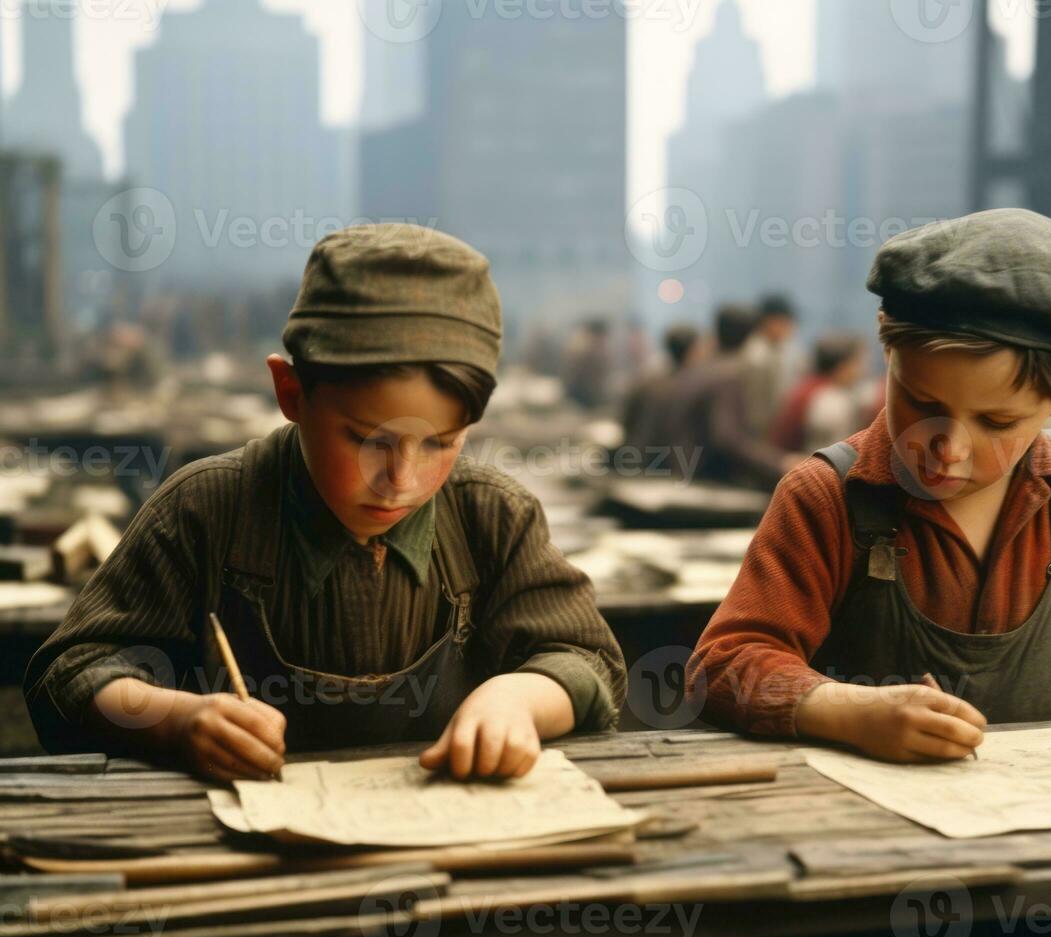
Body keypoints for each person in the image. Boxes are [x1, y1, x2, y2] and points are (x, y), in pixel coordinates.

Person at [25, 225, 627, 783]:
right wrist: (175, 720)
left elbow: (587, 659)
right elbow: (74, 672)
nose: (401, 479)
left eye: (440, 443)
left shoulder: (493, 518)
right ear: (291, 392)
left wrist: (517, 699)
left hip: (442, 848)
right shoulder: (206, 510)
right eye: (369, 440)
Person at [687, 209, 1051, 764]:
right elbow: (724, 664)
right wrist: (846, 709)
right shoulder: (828, 496)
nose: (950, 448)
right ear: (887, 347)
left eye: (997, 423)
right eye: (922, 404)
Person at [659, 305, 802, 488]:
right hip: (707, 481)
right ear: (752, 335)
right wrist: (780, 462)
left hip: (682, 472)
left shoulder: (702, 368)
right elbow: (727, 437)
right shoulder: (730, 375)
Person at [770, 334, 867, 454]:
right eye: (857, 363)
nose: (861, 370)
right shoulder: (829, 399)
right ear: (842, 367)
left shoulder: (806, 387)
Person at [622, 322, 703, 456]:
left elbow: (627, 423)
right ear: (693, 351)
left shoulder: (646, 384)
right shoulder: (695, 389)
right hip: (679, 464)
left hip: (638, 458)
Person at [741, 294, 801, 439]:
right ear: (769, 322)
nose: (790, 329)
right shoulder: (757, 356)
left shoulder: (775, 349)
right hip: (761, 435)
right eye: (785, 323)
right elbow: (757, 412)